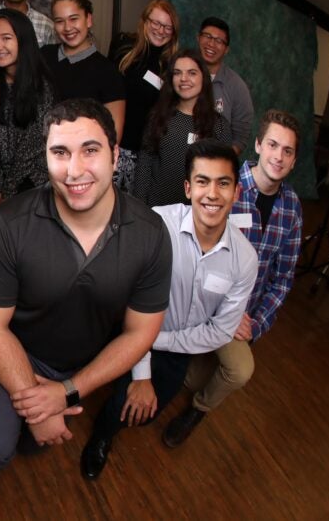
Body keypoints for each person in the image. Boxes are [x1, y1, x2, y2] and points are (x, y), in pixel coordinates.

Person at [0, 98, 172, 521]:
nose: (74, 170)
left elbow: (140, 333)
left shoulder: (151, 235)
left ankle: (30, 430)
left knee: (31, 442)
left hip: (78, 367)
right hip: (7, 352)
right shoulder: (8, 224)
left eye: (90, 150)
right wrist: (38, 405)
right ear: (45, 157)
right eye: (60, 153)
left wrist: (66, 392)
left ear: (116, 157)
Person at [79, 139, 257, 480]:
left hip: (176, 344)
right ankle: (101, 438)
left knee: (146, 412)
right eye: (203, 182)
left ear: (236, 192)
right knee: (123, 399)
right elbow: (134, 301)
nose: (212, 194)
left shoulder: (245, 259)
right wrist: (141, 369)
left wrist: (157, 342)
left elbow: (220, 331)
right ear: (188, 188)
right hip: (132, 327)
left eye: (223, 183)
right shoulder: (158, 226)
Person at [163, 109, 302, 448]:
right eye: (272, 145)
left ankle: (198, 410)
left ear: (295, 159)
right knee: (186, 374)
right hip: (200, 298)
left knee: (239, 370)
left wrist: (255, 321)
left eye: (288, 151)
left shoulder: (293, 209)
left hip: (240, 317)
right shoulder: (224, 185)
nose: (278, 157)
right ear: (258, 144)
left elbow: (283, 279)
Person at [134, 50, 231, 207]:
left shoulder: (219, 125)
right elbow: (144, 166)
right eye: (177, 73)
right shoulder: (157, 117)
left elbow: (225, 175)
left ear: (203, 78)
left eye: (192, 73)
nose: (184, 79)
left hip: (199, 216)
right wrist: (139, 208)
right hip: (157, 213)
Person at [0, 8, 59, 205]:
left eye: (6, 38)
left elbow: (31, 148)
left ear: (23, 41)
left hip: (33, 180)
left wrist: (5, 193)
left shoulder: (42, 86)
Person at [113, 0, 180, 191]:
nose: (160, 30)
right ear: (145, 21)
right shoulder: (122, 46)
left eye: (168, 27)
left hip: (142, 155)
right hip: (113, 145)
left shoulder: (171, 66)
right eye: (156, 23)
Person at [42, 0, 125, 143]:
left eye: (74, 19)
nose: (67, 27)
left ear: (88, 19)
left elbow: (113, 136)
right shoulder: (44, 56)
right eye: (60, 21)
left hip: (81, 158)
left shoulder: (107, 71)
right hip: (37, 154)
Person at [197, 17, 255, 154]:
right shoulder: (181, 73)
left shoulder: (238, 87)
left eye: (219, 41)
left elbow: (240, 140)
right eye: (207, 36)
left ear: (226, 49)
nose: (211, 44)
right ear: (198, 38)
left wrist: (218, 163)